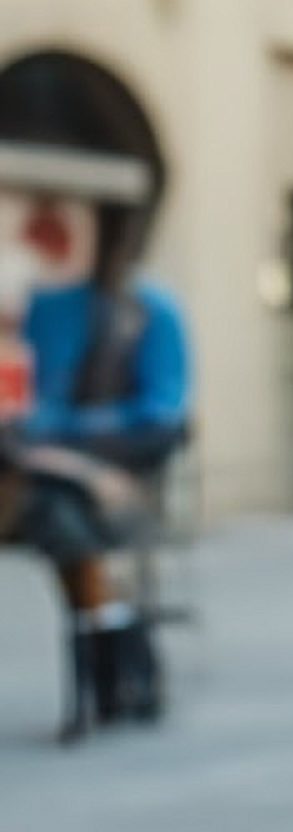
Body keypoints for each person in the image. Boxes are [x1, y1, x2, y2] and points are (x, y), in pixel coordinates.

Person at [2, 218, 192, 727]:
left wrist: (65, 434)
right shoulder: (40, 310)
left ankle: (113, 660)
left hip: (117, 469)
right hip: (52, 474)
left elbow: (162, 414)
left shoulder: (149, 310)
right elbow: (29, 415)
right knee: (59, 518)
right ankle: (109, 656)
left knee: (69, 526)